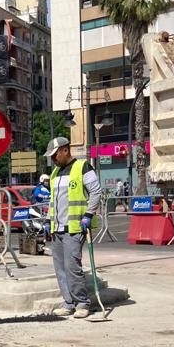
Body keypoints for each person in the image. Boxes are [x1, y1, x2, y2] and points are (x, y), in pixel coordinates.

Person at [45, 136, 102, 319]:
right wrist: (48, 220)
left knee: (72, 267)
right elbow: (53, 201)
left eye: (55, 155)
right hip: (57, 228)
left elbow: (96, 192)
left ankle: (82, 303)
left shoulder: (82, 167)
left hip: (75, 227)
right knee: (60, 268)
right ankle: (68, 303)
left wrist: (88, 214)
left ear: (65, 150)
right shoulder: (54, 173)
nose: (53, 159)